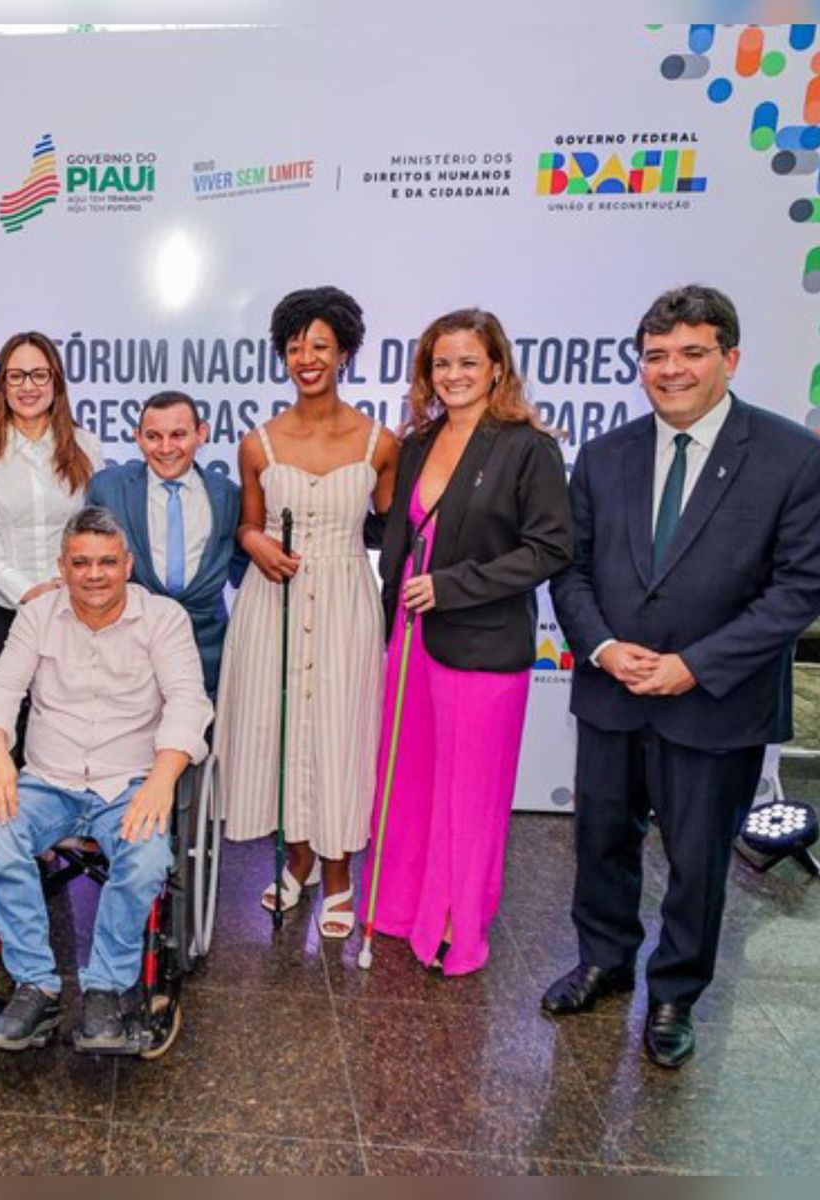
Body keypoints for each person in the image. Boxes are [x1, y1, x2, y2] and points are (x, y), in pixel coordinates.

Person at [545, 285, 820, 1068]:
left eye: (692, 353)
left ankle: (674, 993)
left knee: (698, 859)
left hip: (715, 703)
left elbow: (800, 588)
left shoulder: (792, 456)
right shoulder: (604, 455)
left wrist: (695, 666)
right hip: (612, 691)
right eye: (656, 355)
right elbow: (570, 570)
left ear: (730, 359)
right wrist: (602, 647)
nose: (671, 370)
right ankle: (604, 960)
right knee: (602, 839)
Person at [362, 309, 573, 976]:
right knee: (407, 782)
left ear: (496, 368)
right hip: (411, 640)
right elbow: (397, 534)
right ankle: (398, 908)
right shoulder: (418, 444)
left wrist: (454, 586)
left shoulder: (527, 448)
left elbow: (550, 548)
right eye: (441, 364)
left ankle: (454, 922)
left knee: (468, 794)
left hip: (482, 645)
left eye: (468, 362)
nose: (453, 375)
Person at [0, 506, 212, 1053]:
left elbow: (187, 701)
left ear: (128, 564)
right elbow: (2, 687)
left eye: (107, 561)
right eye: (81, 563)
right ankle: (35, 984)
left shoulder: (164, 618)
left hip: (128, 784)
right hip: (47, 781)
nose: (95, 574)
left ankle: (105, 987)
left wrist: (162, 780)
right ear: (63, 566)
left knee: (147, 858)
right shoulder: (38, 615)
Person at [214, 285, 398, 937]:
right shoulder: (258, 443)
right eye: (294, 347)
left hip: (346, 600)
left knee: (341, 733)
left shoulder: (380, 443)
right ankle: (298, 860)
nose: (307, 358)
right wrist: (254, 542)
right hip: (274, 602)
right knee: (281, 729)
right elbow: (247, 525)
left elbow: (394, 530)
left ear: (344, 352)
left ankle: (339, 872)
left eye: (320, 345)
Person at [0, 331, 101, 762]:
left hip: (72, 605)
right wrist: (27, 591)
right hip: (1, 609)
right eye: (16, 375)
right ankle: (12, 804)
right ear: (1, 384)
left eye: (39, 375)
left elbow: (93, 526)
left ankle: (65, 805)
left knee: (71, 721)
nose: (28, 386)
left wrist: (64, 586)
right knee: (10, 724)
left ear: (55, 382)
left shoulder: (86, 446)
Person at [85, 391, 246, 696]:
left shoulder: (227, 495)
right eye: (153, 436)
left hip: (207, 657)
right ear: (137, 437)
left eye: (178, 435)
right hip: (125, 656)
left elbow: (243, 571)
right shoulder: (107, 489)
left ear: (201, 434)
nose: (166, 448)